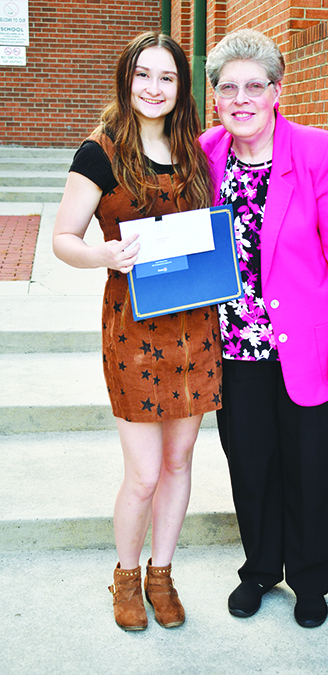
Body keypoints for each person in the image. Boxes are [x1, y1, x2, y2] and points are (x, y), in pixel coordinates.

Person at [201, 29, 328, 628]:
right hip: (234, 350)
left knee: (316, 470)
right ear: (215, 98)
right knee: (251, 468)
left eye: (255, 86)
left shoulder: (320, 152)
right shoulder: (205, 154)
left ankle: (310, 581)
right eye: (229, 88)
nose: (242, 98)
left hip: (315, 349)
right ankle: (260, 569)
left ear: (277, 91)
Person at [53, 32, 222, 632]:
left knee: (179, 464)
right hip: (133, 329)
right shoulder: (99, 151)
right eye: (143, 75)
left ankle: (162, 574)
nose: (154, 88)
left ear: (181, 87)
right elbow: (63, 240)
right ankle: (125, 575)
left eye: (167, 78)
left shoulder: (198, 152)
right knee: (144, 472)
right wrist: (108, 254)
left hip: (196, 325)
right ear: (127, 80)